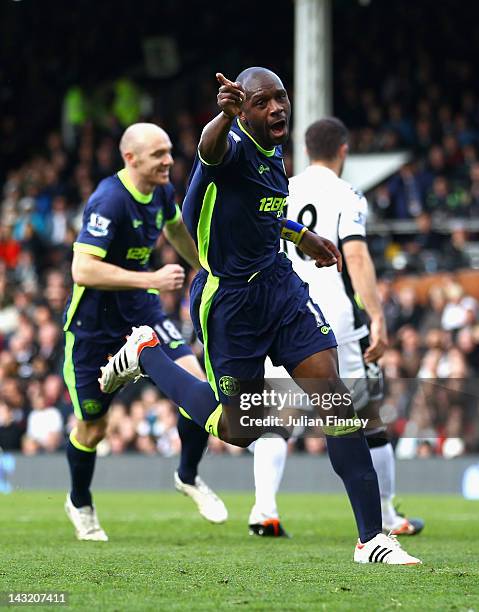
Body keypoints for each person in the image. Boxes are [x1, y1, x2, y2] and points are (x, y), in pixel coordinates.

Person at [102, 69, 420, 564]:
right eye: (263, 102)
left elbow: (260, 213)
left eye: (281, 98)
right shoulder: (227, 147)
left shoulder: (274, 156)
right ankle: (148, 355)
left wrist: (299, 236)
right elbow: (209, 150)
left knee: (335, 399)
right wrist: (222, 115)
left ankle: (371, 538)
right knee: (240, 430)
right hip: (229, 302)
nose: (277, 109)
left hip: (278, 286)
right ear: (243, 110)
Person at [256, 117, 425, 537]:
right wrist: (378, 315)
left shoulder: (284, 188)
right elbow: (357, 256)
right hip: (334, 314)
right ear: (343, 151)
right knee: (366, 413)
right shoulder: (347, 194)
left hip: (284, 306)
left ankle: (263, 510)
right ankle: (385, 515)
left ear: (307, 149)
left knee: (281, 412)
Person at [63, 122, 227, 541]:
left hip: (141, 312)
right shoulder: (109, 200)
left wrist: (206, 266)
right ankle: (80, 501)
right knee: (92, 429)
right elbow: (82, 269)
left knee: (195, 382)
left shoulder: (161, 191)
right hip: (94, 327)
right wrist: (150, 278)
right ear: (130, 158)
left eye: (170, 151)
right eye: (158, 155)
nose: (169, 161)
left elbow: (174, 228)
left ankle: (187, 475)